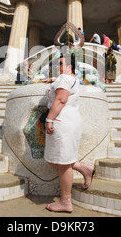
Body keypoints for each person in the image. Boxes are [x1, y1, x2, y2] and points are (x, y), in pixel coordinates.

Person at [44, 53, 95, 213]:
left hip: (62, 121)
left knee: (63, 163)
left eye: (60, 63)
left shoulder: (64, 79)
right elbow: (65, 87)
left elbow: (60, 100)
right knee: (57, 160)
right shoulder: (70, 79)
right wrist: (53, 80)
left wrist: (49, 119)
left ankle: (66, 201)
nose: (57, 67)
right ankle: (84, 168)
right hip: (70, 121)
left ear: (69, 66)